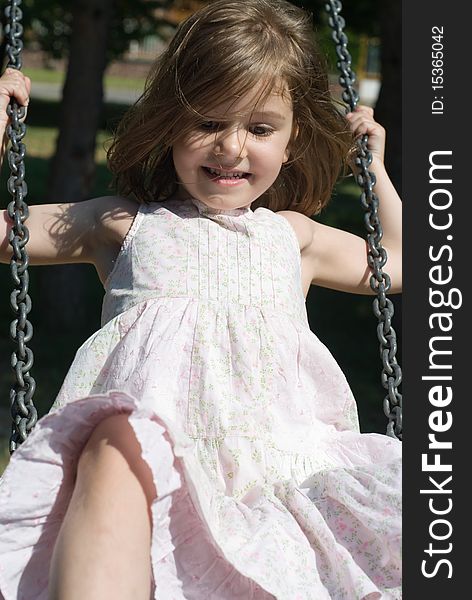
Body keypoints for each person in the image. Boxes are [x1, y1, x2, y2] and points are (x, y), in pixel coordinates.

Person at [0, 0, 402, 598]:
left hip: (274, 470)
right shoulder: (122, 224)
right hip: (146, 470)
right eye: (208, 122)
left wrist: (377, 169)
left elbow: (395, 265)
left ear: (291, 141)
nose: (232, 147)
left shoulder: (293, 236)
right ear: (171, 125)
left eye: (260, 128)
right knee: (117, 439)